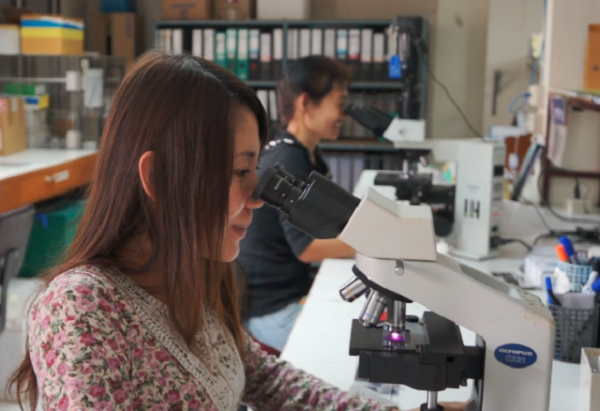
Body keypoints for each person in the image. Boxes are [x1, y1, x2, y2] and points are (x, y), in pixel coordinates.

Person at [8, 52, 467, 411]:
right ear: (158, 178)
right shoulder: (81, 309)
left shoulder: (196, 273)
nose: (259, 197)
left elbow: (267, 381)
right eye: (240, 171)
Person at [238, 56, 356, 351]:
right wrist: (378, 245)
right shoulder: (288, 160)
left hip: (289, 292)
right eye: (339, 103)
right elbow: (307, 248)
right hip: (270, 308)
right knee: (345, 351)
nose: (344, 114)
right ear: (306, 103)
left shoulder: (303, 154)